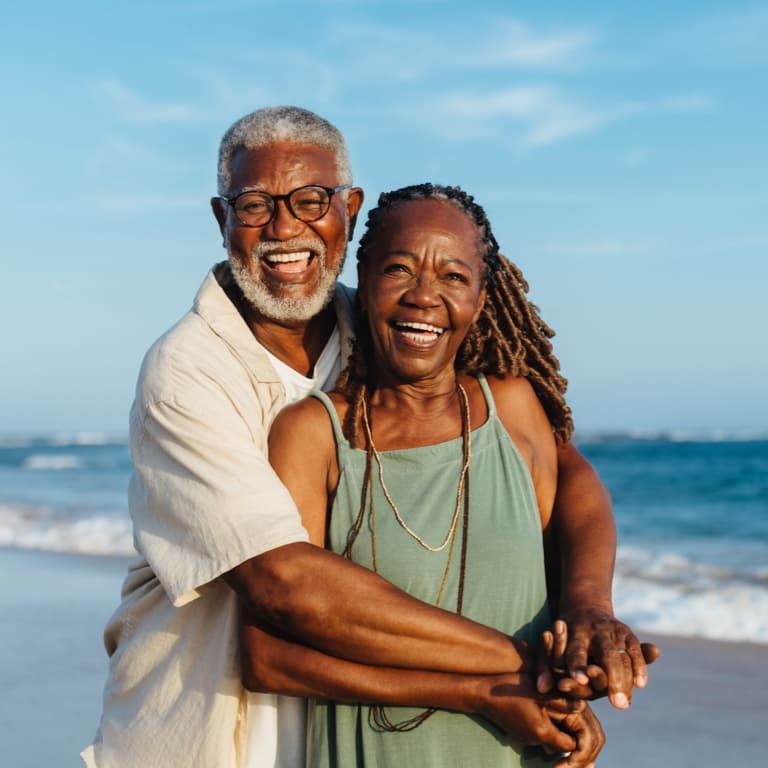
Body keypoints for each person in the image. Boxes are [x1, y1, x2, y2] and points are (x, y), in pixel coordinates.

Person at [83, 107, 653, 768]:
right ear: (222, 220)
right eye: (256, 206)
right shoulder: (187, 372)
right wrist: (534, 669)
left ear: (348, 211)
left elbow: (556, 463)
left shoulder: (384, 321)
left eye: (311, 201)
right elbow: (285, 584)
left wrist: (589, 611)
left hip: (340, 729)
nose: (285, 228)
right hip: (204, 727)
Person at [252, 183, 609, 766]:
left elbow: (578, 490)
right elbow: (267, 658)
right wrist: (480, 694)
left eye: (453, 277)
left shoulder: (513, 410)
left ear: (483, 296)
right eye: (399, 269)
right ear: (362, 283)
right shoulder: (315, 435)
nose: (424, 297)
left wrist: (587, 629)